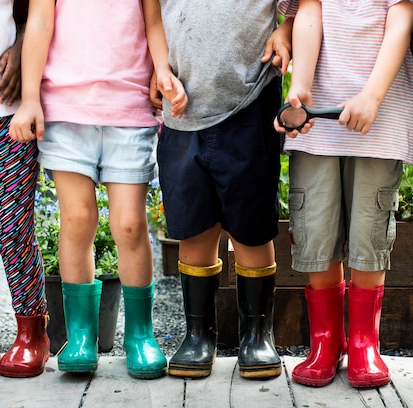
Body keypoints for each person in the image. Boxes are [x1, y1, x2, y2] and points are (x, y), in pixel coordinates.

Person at [8, 0, 182, 379]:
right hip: (66, 111)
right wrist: (30, 98)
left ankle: (140, 335)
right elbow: (39, 22)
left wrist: (164, 71)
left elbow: (154, 22)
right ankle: (82, 336)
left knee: (131, 224)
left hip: (129, 108)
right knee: (75, 218)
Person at [275, 0, 413, 388]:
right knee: (316, 228)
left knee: (369, 233)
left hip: (381, 116)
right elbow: (309, 13)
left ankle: (364, 343)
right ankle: (326, 342)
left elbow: (400, 23)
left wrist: (372, 96)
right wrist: (301, 88)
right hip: (318, 120)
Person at [152, 1, 293, 379]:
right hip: (184, 112)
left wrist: (289, 25)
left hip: (248, 103)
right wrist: (161, 68)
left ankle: (257, 336)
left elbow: (303, 5)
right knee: (195, 227)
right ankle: (198, 335)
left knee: (251, 227)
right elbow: (153, 17)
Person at [0, 0, 50, 378]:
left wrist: (23, 43)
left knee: (11, 226)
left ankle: (32, 333)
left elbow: (36, 12)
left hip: (6, 109)